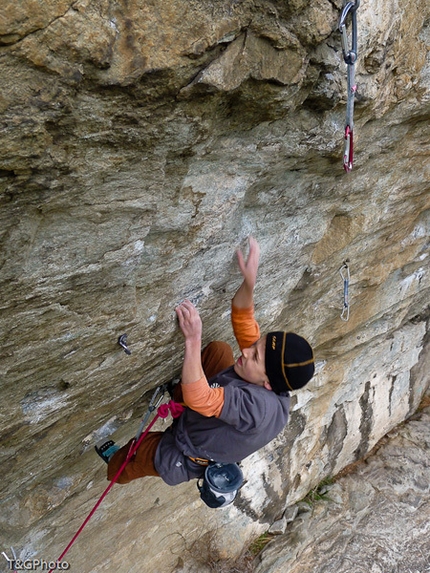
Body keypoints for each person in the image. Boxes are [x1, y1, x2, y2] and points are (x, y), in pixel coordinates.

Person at [96, 237, 315, 487]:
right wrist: (249, 283)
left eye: (255, 356)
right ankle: (179, 398)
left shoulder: (258, 408)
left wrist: (192, 338)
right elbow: (243, 316)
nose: (247, 351)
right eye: (256, 345)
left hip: (186, 450)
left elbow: (199, 399)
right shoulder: (269, 373)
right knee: (220, 352)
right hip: (208, 421)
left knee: (132, 458)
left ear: (267, 385)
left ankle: (116, 465)